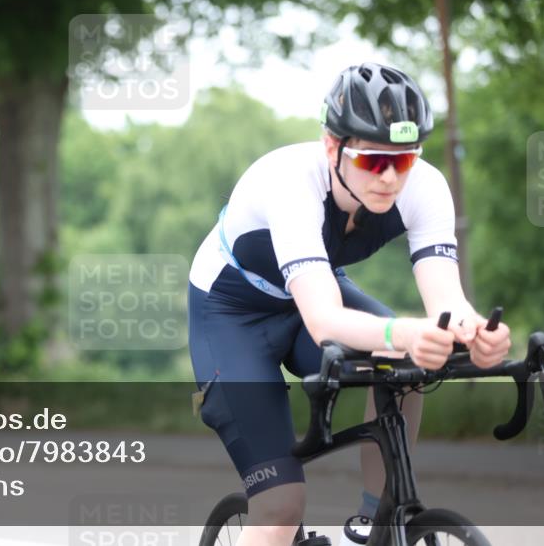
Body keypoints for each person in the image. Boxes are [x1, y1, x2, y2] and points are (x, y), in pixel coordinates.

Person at [187, 63, 512, 546]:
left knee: (408, 361)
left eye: (402, 161)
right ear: (331, 146)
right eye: (372, 161)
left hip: (313, 291)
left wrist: (478, 336)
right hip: (232, 314)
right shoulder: (291, 183)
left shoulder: (424, 186)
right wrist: (406, 332)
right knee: (279, 507)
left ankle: (377, 517)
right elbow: (324, 323)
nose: (388, 178)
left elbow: (448, 302)